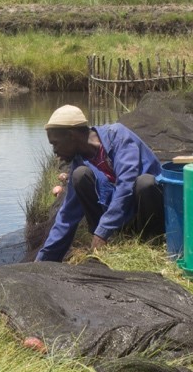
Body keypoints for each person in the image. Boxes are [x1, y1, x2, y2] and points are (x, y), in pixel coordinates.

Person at [35, 104, 164, 262]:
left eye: (55, 143)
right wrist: (42, 262)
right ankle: (108, 240)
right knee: (80, 176)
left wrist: (103, 229)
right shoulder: (80, 162)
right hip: (119, 221)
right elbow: (67, 216)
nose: (55, 151)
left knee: (145, 182)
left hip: (146, 212)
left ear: (71, 135)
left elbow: (126, 186)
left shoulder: (117, 136)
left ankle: (152, 243)